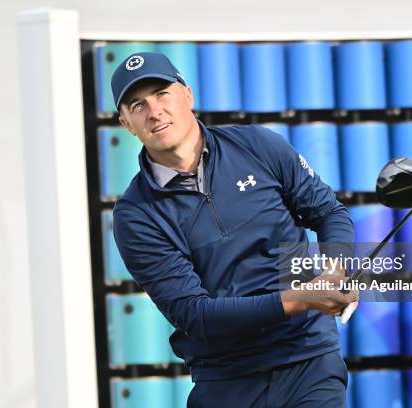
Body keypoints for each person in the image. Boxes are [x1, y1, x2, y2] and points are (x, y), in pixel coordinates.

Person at [110, 51, 358, 407]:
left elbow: (329, 213)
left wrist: (336, 272)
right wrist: (303, 297)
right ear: (127, 124)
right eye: (138, 105)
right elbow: (197, 315)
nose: (154, 111)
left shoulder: (258, 145)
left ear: (187, 95)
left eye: (162, 93)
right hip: (226, 378)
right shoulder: (135, 215)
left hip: (308, 360)